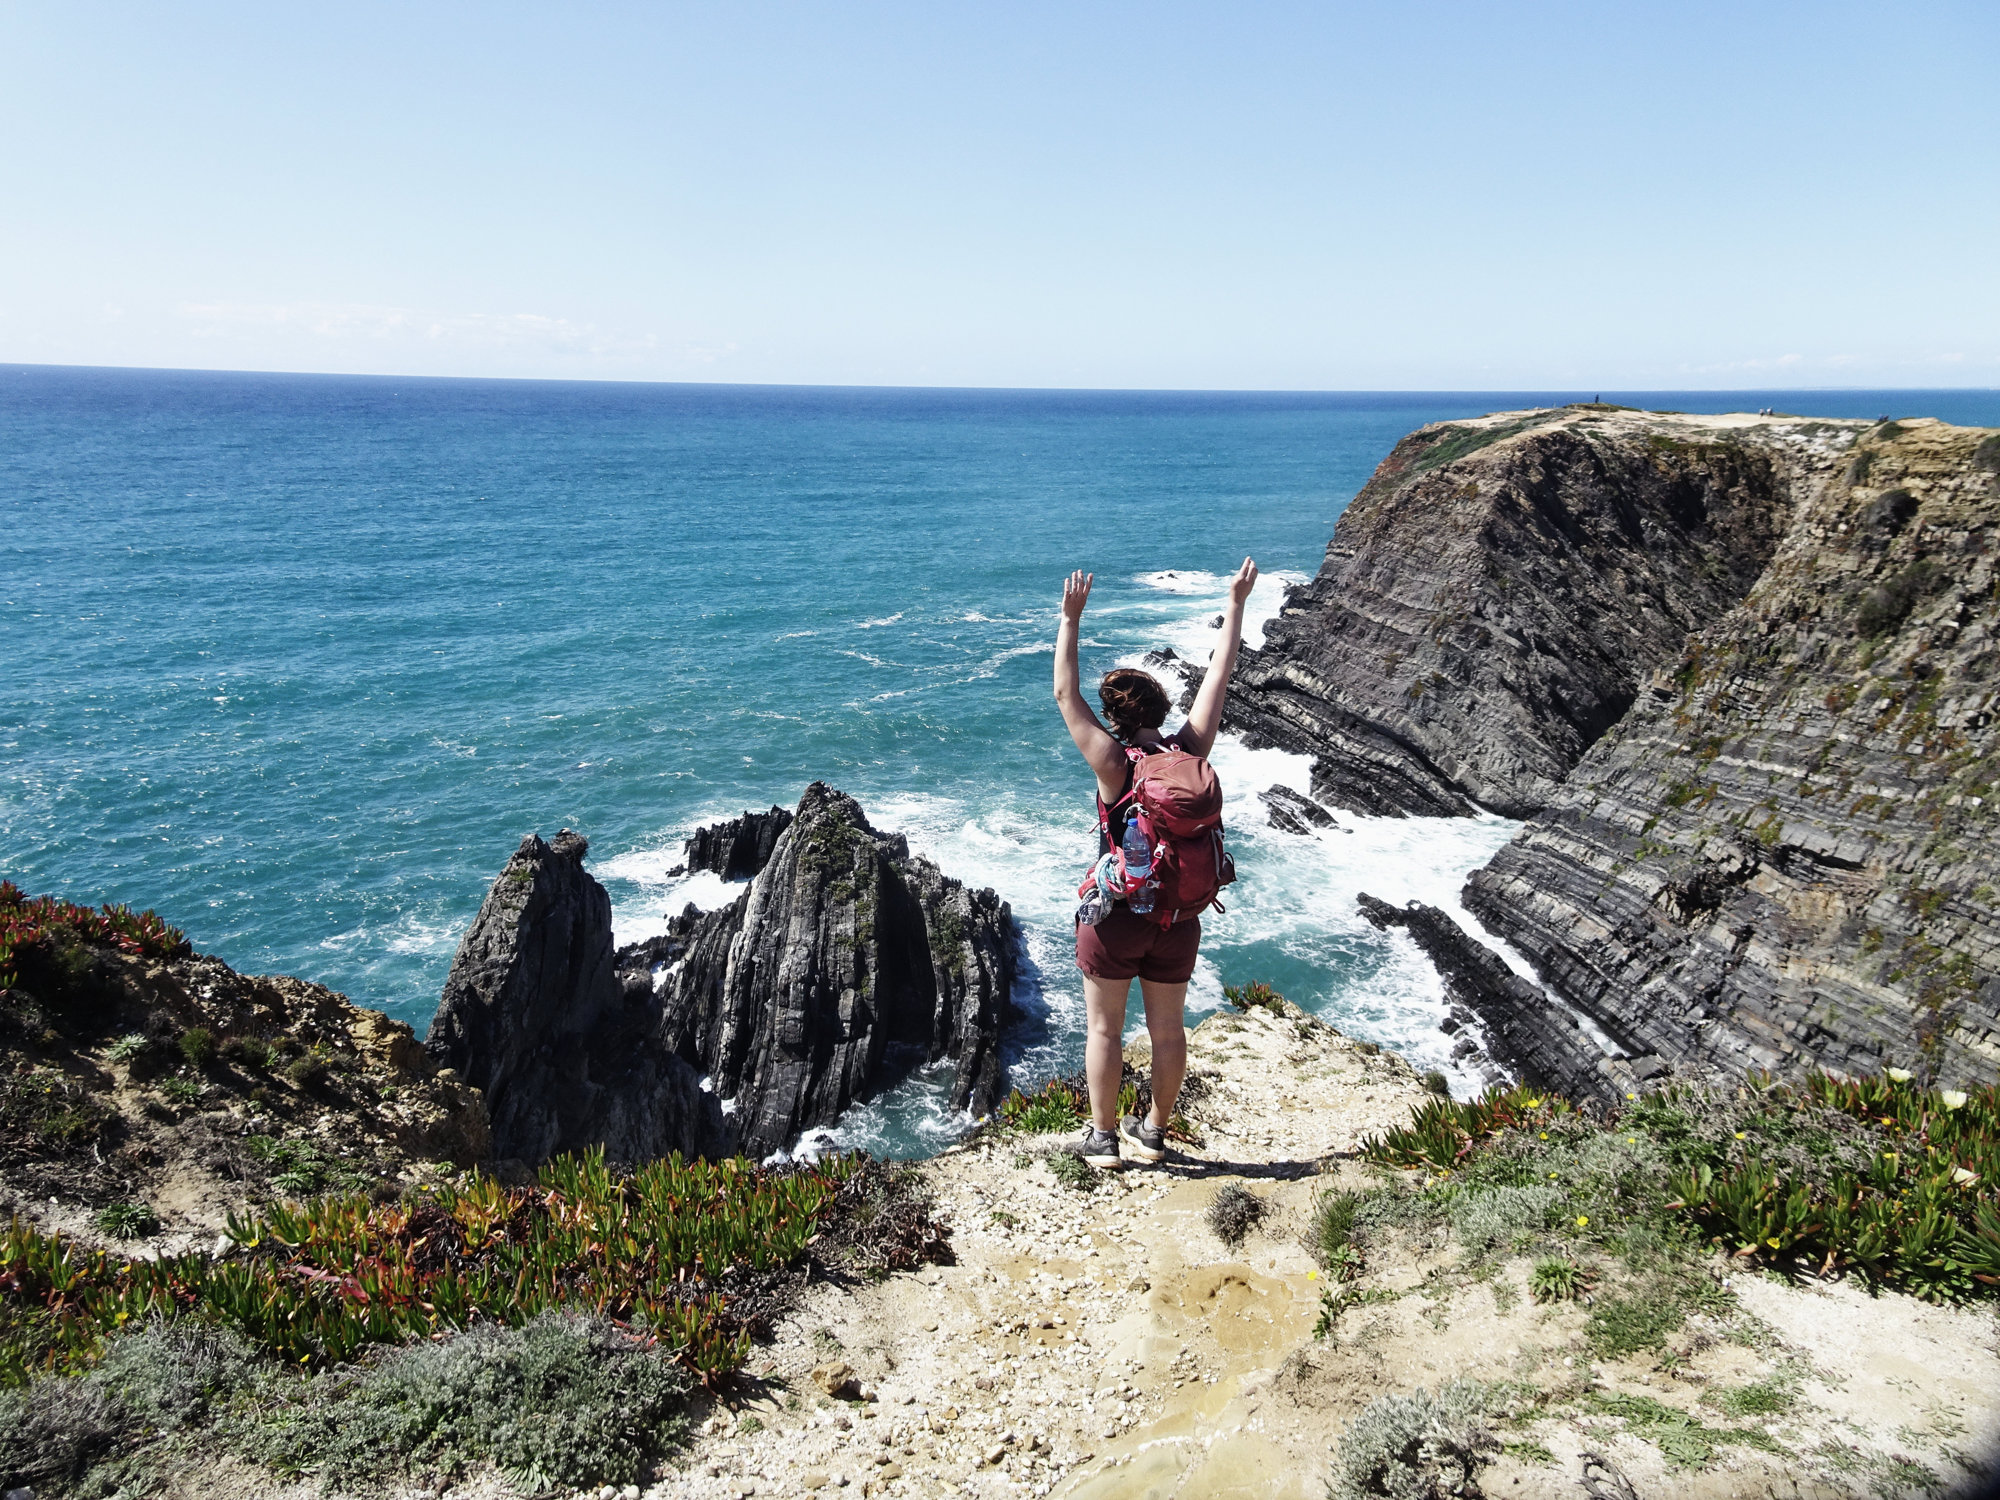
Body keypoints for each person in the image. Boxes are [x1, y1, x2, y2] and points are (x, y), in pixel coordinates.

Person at [1052, 558, 1258, 1167]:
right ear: (1162, 709)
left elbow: (1064, 692)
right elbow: (1220, 673)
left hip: (1116, 917)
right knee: (1169, 1031)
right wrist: (1237, 601)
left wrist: (1070, 620)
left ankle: (1103, 1139)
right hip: (1178, 916)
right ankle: (1154, 1134)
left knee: (1105, 1031)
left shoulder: (1115, 765)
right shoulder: (1188, 750)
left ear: (1116, 717)